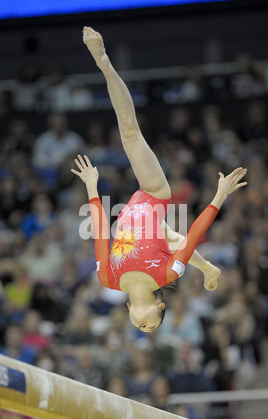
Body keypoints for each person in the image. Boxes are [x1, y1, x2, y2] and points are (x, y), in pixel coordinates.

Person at [71, 27, 247, 333]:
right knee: (129, 130)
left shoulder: (108, 280)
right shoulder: (168, 274)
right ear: (159, 306)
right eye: (151, 326)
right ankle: (103, 61)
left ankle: (208, 268)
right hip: (153, 195)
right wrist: (219, 196)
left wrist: (91, 187)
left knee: (169, 237)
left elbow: (99, 232)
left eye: (140, 329)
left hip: (132, 220)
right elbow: (193, 236)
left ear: (127, 310)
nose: (143, 326)